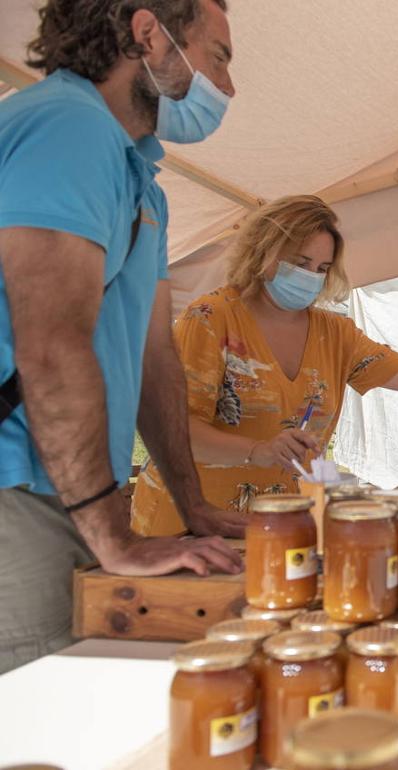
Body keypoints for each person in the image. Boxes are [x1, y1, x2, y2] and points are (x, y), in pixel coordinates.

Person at [0, 0, 246, 673]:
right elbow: (49, 347)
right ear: (148, 35)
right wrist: (116, 539)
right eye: (217, 57)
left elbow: (154, 356)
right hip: (18, 489)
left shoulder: (139, 176)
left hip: (67, 490)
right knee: (39, 717)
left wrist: (191, 503)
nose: (226, 88)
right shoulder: (67, 128)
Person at [130, 195, 398, 534]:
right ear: (264, 252)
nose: (310, 276)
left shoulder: (331, 332)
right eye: (299, 263)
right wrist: (257, 451)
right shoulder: (210, 319)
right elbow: (174, 430)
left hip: (274, 523)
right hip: (189, 523)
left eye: (320, 268)